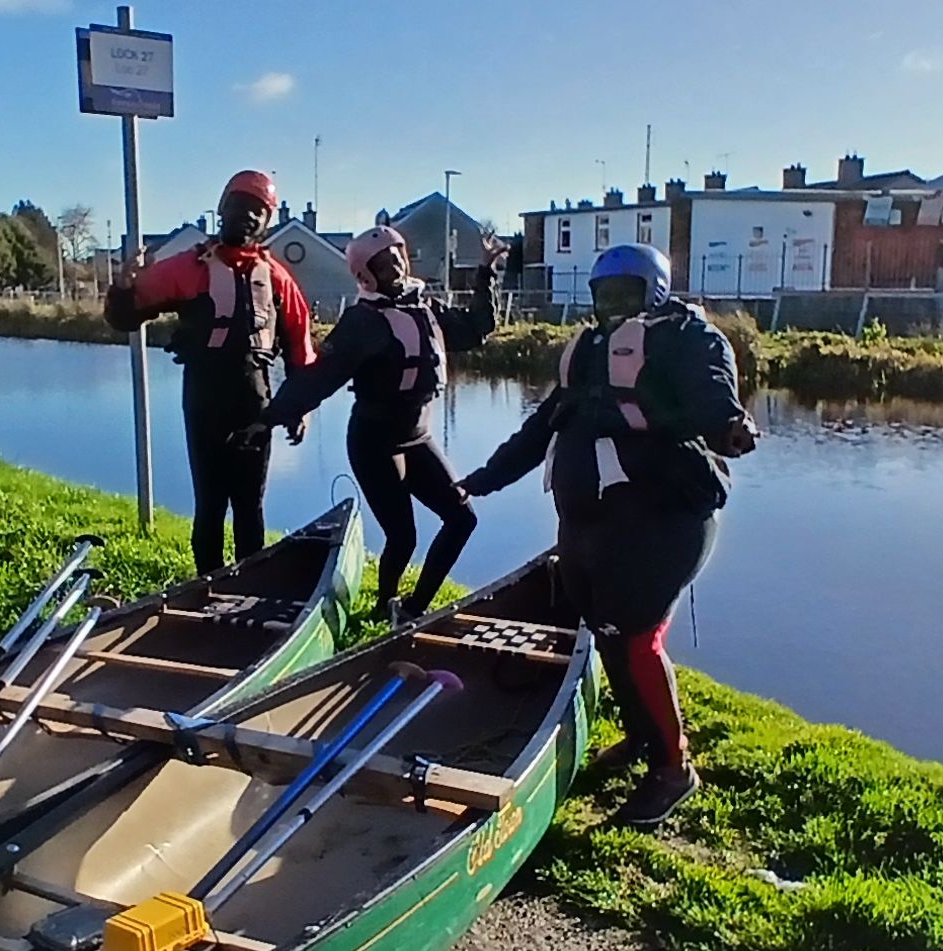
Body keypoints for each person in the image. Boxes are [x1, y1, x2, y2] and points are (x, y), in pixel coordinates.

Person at [458, 243, 757, 826]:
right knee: (607, 631)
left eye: (628, 292)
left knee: (638, 638)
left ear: (656, 292)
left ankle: (674, 770)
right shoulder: (592, 349)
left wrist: (729, 428)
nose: (614, 304)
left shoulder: (684, 339)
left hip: (663, 520)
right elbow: (544, 424)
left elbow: (711, 398)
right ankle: (644, 737)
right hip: (595, 520)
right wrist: (486, 478)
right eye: (605, 293)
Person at [236, 224, 506, 623]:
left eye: (397, 254)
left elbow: (477, 328)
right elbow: (320, 377)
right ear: (366, 274)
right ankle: (384, 607)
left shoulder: (426, 307)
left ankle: (413, 609)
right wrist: (270, 418)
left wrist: (486, 272)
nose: (394, 263)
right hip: (374, 443)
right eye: (383, 261)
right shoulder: (362, 323)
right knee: (403, 536)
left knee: (462, 518)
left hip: (418, 437)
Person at [104, 170, 315, 574]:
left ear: (267, 221)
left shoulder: (276, 279)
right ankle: (207, 587)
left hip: (256, 405)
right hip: (204, 402)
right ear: (222, 210)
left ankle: (249, 586)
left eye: (258, 211)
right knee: (211, 504)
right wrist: (123, 288)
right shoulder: (189, 267)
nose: (248, 217)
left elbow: (301, 349)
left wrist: (299, 407)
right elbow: (126, 317)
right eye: (240, 207)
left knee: (250, 507)